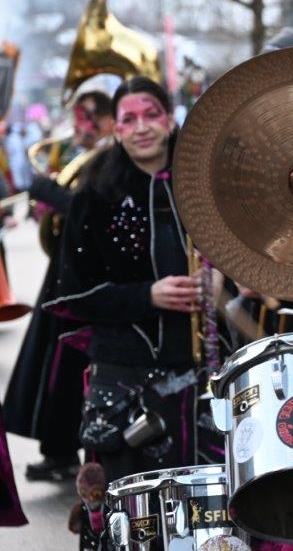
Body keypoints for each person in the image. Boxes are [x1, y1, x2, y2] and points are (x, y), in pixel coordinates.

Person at [43, 78, 203, 484]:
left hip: (203, 372)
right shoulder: (95, 194)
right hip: (123, 375)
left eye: (152, 115)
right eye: (129, 119)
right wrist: (148, 295)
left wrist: (223, 283)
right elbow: (75, 294)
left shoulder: (203, 182)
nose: (142, 127)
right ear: (116, 129)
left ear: (169, 119)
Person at [4, 90, 117, 482]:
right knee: (54, 365)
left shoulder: (112, 159)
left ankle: (67, 452)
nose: (81, 127)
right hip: (66, 272)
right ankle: (58, 449)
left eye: (90, 118)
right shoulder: (80, 156)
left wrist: (48, 191)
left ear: (108, 121)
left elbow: (86, 209)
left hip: (91, 282)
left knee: (70, 368)